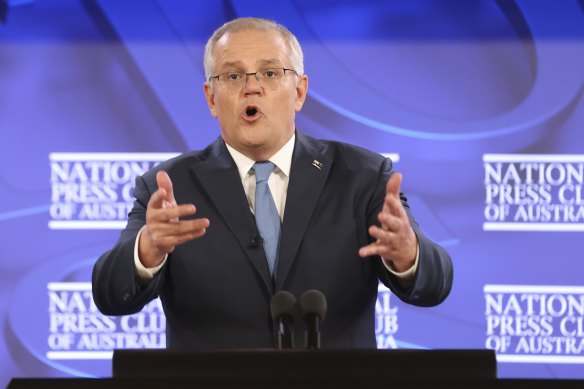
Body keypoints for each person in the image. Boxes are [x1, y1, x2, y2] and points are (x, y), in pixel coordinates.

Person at [92, 17, 453, 349]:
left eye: (269, 73)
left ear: (298, 92)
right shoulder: (170, 188)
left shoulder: (362, 175)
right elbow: (110, 295)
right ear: (211, 98)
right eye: (233, 77)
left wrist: (409, 255)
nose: (252, 89)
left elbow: (435, 285)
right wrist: (146, 253)